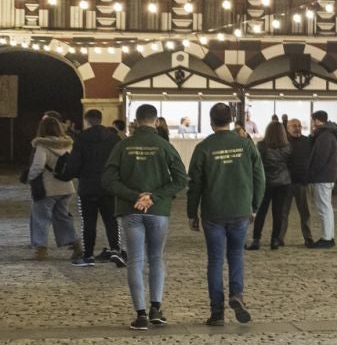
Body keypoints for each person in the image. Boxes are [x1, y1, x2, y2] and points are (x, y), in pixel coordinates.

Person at [100, 104, 188, 330]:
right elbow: (180, 180)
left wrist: (134, 196)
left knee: (135, 261)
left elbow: (108, 180)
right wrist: (154, 196)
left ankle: (140, 314)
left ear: (136, 121)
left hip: (131, 210)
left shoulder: (123, 146)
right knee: (156, 258)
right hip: (158, 211)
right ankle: (156, 308)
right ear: (156, 121)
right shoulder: (164, 146)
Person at [186, 102, 266, 326]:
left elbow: (195, 183)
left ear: (211, 122)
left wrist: (192, 212)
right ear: (231, 120)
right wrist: (255, 205)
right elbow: (260, 177)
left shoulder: (203, 147)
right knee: (236, 255)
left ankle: (217, 312)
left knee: (215, 260)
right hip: (240, 209)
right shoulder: (246, 145)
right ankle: (237, 295)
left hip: (214, 211)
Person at [71, 109, 123, 268]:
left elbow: (74, 164)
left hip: (87, 186)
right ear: (101, 120)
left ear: (87, 120)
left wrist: (73, 174)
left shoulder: (81, 138)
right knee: (112, 220)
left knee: (88, 222)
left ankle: (88, 256)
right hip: (109, 186)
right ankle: (115, 250)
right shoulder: (113, 138)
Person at [26, 115, 79, 260]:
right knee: (62, 217)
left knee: (40, 217)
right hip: (66, 187)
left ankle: (40, 249)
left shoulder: (42, 145)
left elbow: (38, 166)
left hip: (47, 187)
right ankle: (75, 243)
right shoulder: (68, 144)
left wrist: (29, 178)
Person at [249, 119, 295, 251]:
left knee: (261, 212)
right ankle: (275, 240)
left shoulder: (261, 146)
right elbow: (291, 164)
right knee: (278, 212)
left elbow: (256, 165)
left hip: (265, 182)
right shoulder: (288, 147)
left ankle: (256, 239)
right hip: (283, 182)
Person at [306, 111, 337, 247]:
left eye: (313, 121)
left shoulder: (325, 136)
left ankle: (327, 238)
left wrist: (312, 173)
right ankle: (329, 236)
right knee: (326, 206)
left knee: (323, 207)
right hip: (327, 175)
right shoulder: (328, 134)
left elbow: (320, 158)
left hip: (323, 176)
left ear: (316, 121)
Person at [285, 117, 317, 247]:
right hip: (286, 182)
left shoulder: (307, 141)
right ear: (288, 128)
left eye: (298, 125)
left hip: (303, 181)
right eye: (294, 126)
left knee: (306, 212)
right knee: (283, 212)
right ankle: (279, 237)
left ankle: (308, 238)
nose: (297, 128)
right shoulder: (284, 142)